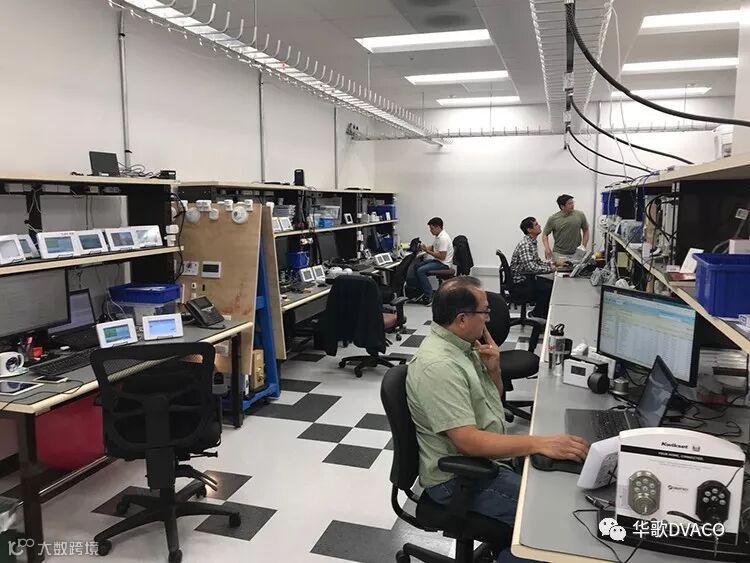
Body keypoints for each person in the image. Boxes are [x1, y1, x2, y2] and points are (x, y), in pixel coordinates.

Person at [406, 277, 589, 562]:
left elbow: (491, 401)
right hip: (457, 479)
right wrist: (538, 443)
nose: (488, 319)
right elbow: (468, 442)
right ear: (462, 319)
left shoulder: (463, 346)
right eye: (485, 312)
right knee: (548, 521)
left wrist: (493, 369)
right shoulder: (440, 366)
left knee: (558, 498)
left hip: (485, 461)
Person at [510, 217, 566, 319]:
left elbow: (537, 262)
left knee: (551, 284)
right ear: (529, 230)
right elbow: (531, 267)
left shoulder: (532, 242)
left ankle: (540, 313)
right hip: (521, 282)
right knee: (548, 288)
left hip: (528, 278)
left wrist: (554, 263)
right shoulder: (526, 245)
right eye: (536, 224)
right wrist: (551, 269)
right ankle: (538, 314)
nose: (539, 226)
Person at [415, 217, 454, 305]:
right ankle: (420, 292)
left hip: (443, 264)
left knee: (420, 271)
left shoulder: (443, 238)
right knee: (417, 266)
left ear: (438, 227)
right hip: (438, 261)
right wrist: (423, 248)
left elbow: (442, 256)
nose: (430, 231)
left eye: (431, 228)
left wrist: (427, 251)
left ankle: (429, 296)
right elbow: (433, 247)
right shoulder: (438, 236)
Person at [542, 194, 589, 260]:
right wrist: (547, 248)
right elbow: (544, 234)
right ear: (562, 206)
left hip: (576, 253)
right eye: (569, 204)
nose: (572, 205)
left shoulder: (580, 215)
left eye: (572, 203)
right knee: (560, 267)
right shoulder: (553, 219)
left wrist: (583, 247)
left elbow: (586, 230)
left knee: (578, 267)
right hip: (559, 254)